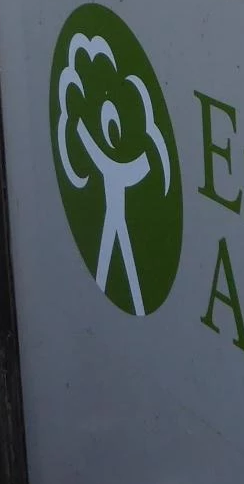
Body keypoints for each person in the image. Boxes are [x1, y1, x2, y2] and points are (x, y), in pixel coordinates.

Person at [57, 34, 171, 314]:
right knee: (115, 245)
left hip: (116, 205)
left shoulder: (117, 161)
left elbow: (135, 164)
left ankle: (125, 293)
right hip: (113, 204)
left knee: (116, 244)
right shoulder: (102, 153)